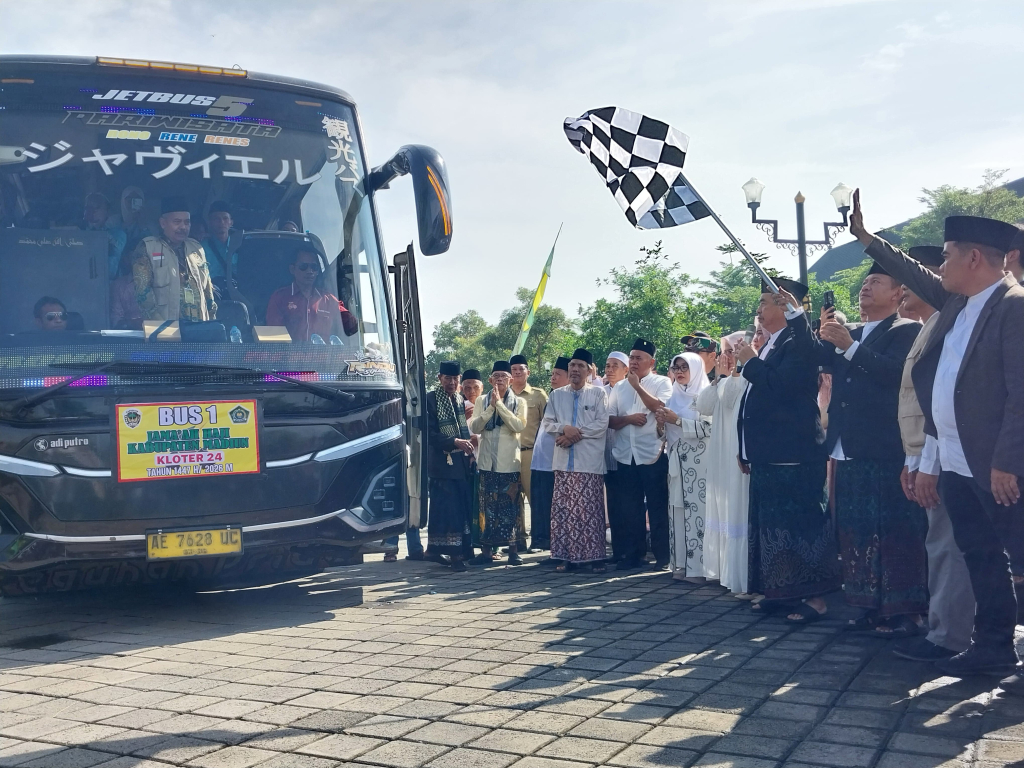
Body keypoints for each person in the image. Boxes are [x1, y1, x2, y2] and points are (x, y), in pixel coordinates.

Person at [849, 191, 1024, 683]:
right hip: (957, 461)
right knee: (981, 557)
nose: (939, 265)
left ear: (974, 258)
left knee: (1019, 561)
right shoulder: (958, 300)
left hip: (998, 466)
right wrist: (867, 239)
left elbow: (1022, 393)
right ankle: (992, 648)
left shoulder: (1014, 306)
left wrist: (1009, 461)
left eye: (947, 255)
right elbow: (911, 272)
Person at [789, 263, 925, 637]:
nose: (866, 288)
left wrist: (849, 347)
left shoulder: (907, 330)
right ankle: (866, 603)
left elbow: (897, 375)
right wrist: (801, 319)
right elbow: (815, 357)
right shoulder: (853, 332)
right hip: (848, 444)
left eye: (876, 282)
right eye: (864, 283)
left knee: (894, 527)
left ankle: (903, 609)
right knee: (856, 529)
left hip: (884, 444)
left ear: (899, 293)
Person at [889, 245, 975, 663]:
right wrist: (913, 458)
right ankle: (947, 627)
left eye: (912, 282)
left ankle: (948, 635)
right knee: (941, 544)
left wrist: (927, 461)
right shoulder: (929, 325)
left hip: (943, 455)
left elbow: (942, 400)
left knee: (948, 546)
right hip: (924, 452)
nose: (903, 291)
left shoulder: (948, 321)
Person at [735, 278, 839, 623]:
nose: (760, 310)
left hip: (794, 452)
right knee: (773, 526)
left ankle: (815, 598)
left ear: (786, 306)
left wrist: (750, 362)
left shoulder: (797, 343)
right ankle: (781, 591)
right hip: (768, 453)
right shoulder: (769, 344)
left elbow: (783, 388)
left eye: (767, 302)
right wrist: (745, 446)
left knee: (802, 524)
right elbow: (754, 398)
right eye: (760, 303)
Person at [607, 338, 673, 570]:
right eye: (631, 357)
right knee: (630, 507)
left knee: (657, 506)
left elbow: (661, 408)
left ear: (651, 362)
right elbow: (611, 421)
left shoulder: (662, 382)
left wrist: (637, 386)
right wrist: (628, 419)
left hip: (652, 453)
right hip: (626, 454)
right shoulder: (619, 387)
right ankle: (634, 555)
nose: (633, 362)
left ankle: (662, 557)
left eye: (638, 358)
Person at [545, 348, 610, 573]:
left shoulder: (598, 394)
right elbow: (547, 423)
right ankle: (566, 557)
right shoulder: (556, 395)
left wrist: (574, 434)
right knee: (564, 511)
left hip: (588, 463)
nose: (574, 369)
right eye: (572, 365)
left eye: (580, 366)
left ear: (590, 370)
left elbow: (602, 424)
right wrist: (564, 428)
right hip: (563, 463)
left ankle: (595, 557)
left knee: (588, 510)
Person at [696, 332, 751, 596]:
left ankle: (738, 574)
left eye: (732, 351)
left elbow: (730, 399)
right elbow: (703, 406)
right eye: (725, 352)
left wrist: (734, 373)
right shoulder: (723, 380)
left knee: (735, 510)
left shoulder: (745, 378)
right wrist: (717, 377)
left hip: (735, 453)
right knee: (719, 507)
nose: (727, 357)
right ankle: (719, 568)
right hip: (719, 454)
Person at [657, 352, 711, 581]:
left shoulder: (706, 396)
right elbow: (664, 436)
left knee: (698, 513)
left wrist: (676, 421)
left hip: (701, 464)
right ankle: (681, 565)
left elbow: (709, 429)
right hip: (677, 463)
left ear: (696, 369)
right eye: (675, 367)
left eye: (684, 367)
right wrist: (661, 425)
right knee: (677, 510)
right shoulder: (672, 399)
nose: (679, 371)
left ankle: (700, 568)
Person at [469, 361, 527, 566]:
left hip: (508, 464)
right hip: (486, 463)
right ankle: (486, 552)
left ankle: (513, 551)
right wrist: (490, 409)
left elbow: (518, 425)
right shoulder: (482, 401)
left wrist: (500, 406)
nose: (500, 379)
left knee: (510, 509)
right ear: (490, 380)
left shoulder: (519, 402)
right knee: (487, 508)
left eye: (504, 376)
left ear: (511, 379)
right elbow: (475, 426)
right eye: (496, 376)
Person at [422, 361, 475, 572]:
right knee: (446, 510)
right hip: (441, 465)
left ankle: (440, 551)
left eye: (455, 379)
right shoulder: (430, 399)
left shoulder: (460, 399)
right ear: (439, 378)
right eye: (447, 378)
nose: (452, 383)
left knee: (459, 508)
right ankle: (453, 556)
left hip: (460, 464)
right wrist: (454, 442)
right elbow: (430, 434)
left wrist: (467, 451)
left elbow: (463, 431)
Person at [131, 197, 217, 324]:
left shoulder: (197, 248)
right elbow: (143, 294)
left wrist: (212, 323)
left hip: (199, 329)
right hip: (166, 331)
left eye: (187, 222)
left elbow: (208, 291)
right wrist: (161, 328)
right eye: (177, 222)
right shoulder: (148, 248)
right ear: (163, 223)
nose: (183, 227)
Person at [265, 248, 358, 342]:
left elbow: (352, 327)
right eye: (303, 266)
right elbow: (274, 339)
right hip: (291, 356)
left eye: (314, 267)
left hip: (323, 356)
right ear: (292, 269)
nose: (310, 271)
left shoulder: (329, 300)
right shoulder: (279, 298)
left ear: (318, 271)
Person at [510, 354, 547, 553]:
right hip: (509, 454)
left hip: (531, 453)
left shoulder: (538, 395)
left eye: (521, 369)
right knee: (513, 498)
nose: (517, 373)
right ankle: (518, 540)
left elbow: (548, 423)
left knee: (535, 498)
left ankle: (539, 540)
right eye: (513, 369)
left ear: (528, 372)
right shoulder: (503, 395)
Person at [531, 358, 568, 559]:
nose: (553, 378)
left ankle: (549, 540)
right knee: (539, 500)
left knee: (551, 502)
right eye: (552, 374)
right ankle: (539, 538)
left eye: (558, 374)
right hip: (540, 457)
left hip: (555, 458)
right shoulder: (554, 396)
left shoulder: (568, 398)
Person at [602, 351, 629, 561]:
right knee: (612, 506)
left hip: (626, 456)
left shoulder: (631, 391)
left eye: (615, 366)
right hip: (605, 457)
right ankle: (618, 551)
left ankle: (629, 550)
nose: (610, 370)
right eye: (608, 366)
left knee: (627, 505)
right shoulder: (599, 392)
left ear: (626, 370)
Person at [81, 192, 126, 279]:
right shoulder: (79, 234)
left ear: (107, 211)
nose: (92, 212)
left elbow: (110, 271)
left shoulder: (118, 234)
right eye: (88, 208)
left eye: (97, 207)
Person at [202, 201, 239, 295]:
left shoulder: (241, 247)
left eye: (225, 218)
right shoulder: (200, 248)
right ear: (209, 222)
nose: (222, 222)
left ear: (231, 222)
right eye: (216, 219)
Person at [107, 186, 150, 256]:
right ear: (123, 201)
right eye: (129, 200)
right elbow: (108, 244)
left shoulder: (149, 225)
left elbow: (153, 247)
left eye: (136, 200)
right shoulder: (112, 221)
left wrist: (143, 227)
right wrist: (126, 224)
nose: (132, 203)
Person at [109, 250, 144, 330]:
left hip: (161, 339)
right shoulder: (119, 286)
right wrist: (133, 323)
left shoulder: (163, 284)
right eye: (137, 258)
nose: (141, 261)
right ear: (127, 259)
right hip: (129, 339)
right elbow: (115, 323)